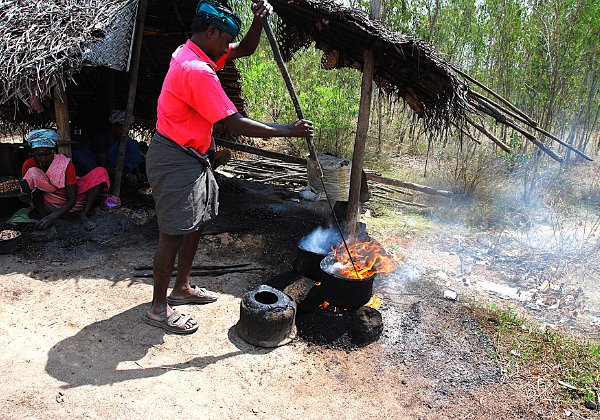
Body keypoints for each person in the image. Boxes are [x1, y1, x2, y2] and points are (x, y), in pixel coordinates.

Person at [144, 0, 313, 334]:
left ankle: (182, 288)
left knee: (194, 224)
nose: (227, 48)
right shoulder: (196, 70)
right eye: (225, 40)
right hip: (175, 158)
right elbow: (233, 123)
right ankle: (158, 309)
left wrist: (259, 21)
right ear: (210, 31)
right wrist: (288, 130)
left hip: (191, 156)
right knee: (172, 234)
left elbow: (247, 48)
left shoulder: (194, 51)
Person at [20, 129, 110, 230]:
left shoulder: (65, 164)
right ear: (33, 153)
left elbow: (72, 200)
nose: (43, 159)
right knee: (33, 172)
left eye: (47, 154)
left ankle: (83, 215)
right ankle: (43, 215)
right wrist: (25, 196)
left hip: (71, 200)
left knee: (100, 172)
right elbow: (29, 192)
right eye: (39, 155)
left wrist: (52, 217)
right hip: (48, 200)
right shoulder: (28, 164)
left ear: (53, 151)